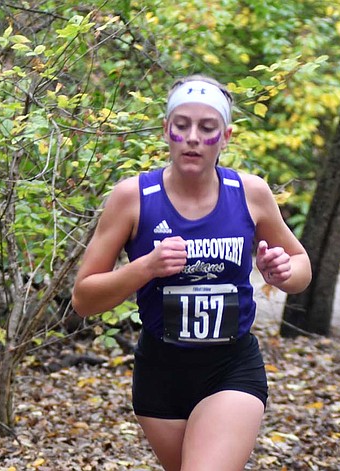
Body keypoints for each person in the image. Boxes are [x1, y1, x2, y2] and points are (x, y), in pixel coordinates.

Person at [72, 74, 312, 471]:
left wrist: (282, 271)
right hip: (160, 373)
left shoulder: (249, 192)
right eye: (182, 126)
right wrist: (146, 267)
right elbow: (84, 299)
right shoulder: (133, 197)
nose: (194, 137)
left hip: (231, 366)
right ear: (167, 130)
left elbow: (301, 266)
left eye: (207, 128)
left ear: (226, 136)